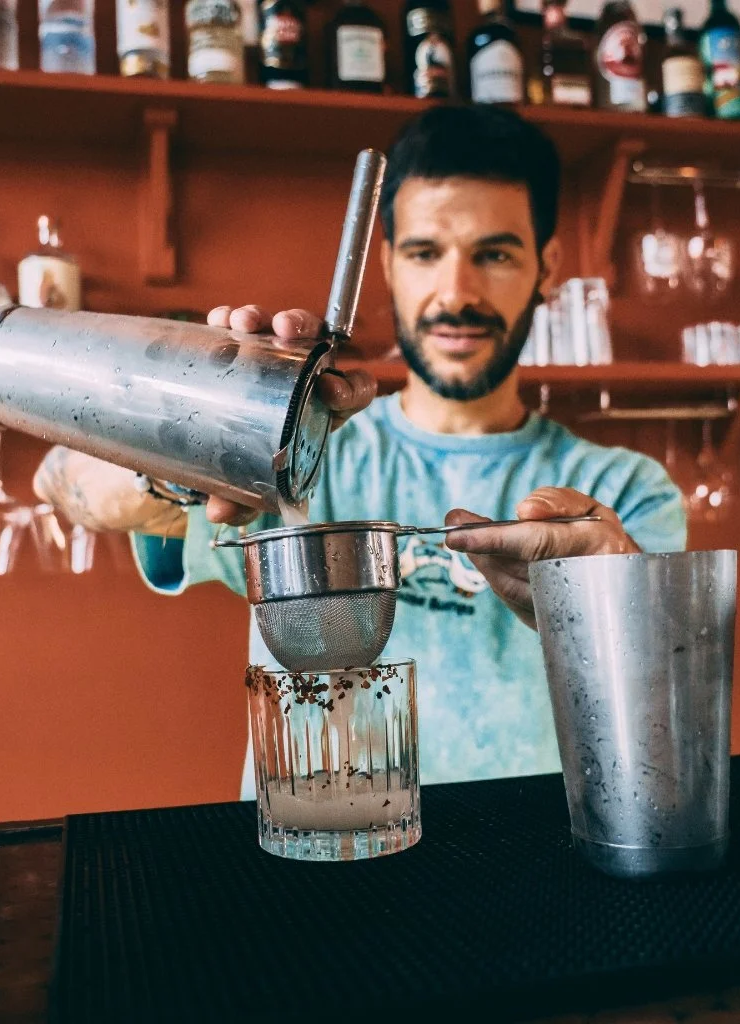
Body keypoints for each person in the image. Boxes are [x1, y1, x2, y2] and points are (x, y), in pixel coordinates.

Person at [34, 105, 686, 799]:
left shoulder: (621, 492)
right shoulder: (304, 455)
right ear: (387, 265)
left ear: (546, 268)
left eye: (493, 254)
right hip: (320, 876)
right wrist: (208, 428)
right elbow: (62, 480)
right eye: (425, 252)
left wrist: (622, 593)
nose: (456, 293)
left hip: (542, 874)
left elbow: (666, 707)